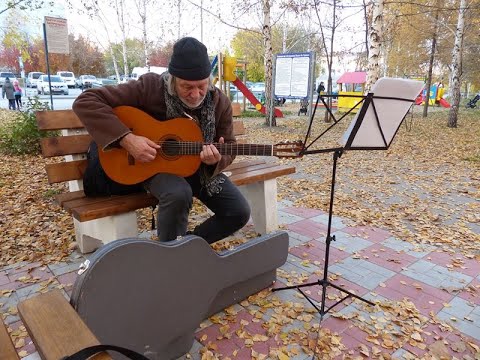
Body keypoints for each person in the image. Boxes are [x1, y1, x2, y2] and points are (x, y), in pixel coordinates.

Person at [73, 37, 251, 244]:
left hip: (200, 169)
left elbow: (229, 145)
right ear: (173, 79)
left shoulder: (219, 102)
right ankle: (171, 255)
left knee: (238, 211)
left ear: (209, 80)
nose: (195, 94)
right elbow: (86, 101)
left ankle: (185, 247)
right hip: (152, 165)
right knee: (178, 193)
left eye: (201, 86)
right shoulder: (150, 87)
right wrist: (127, 139)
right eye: (187, 87)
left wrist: (217, 159)